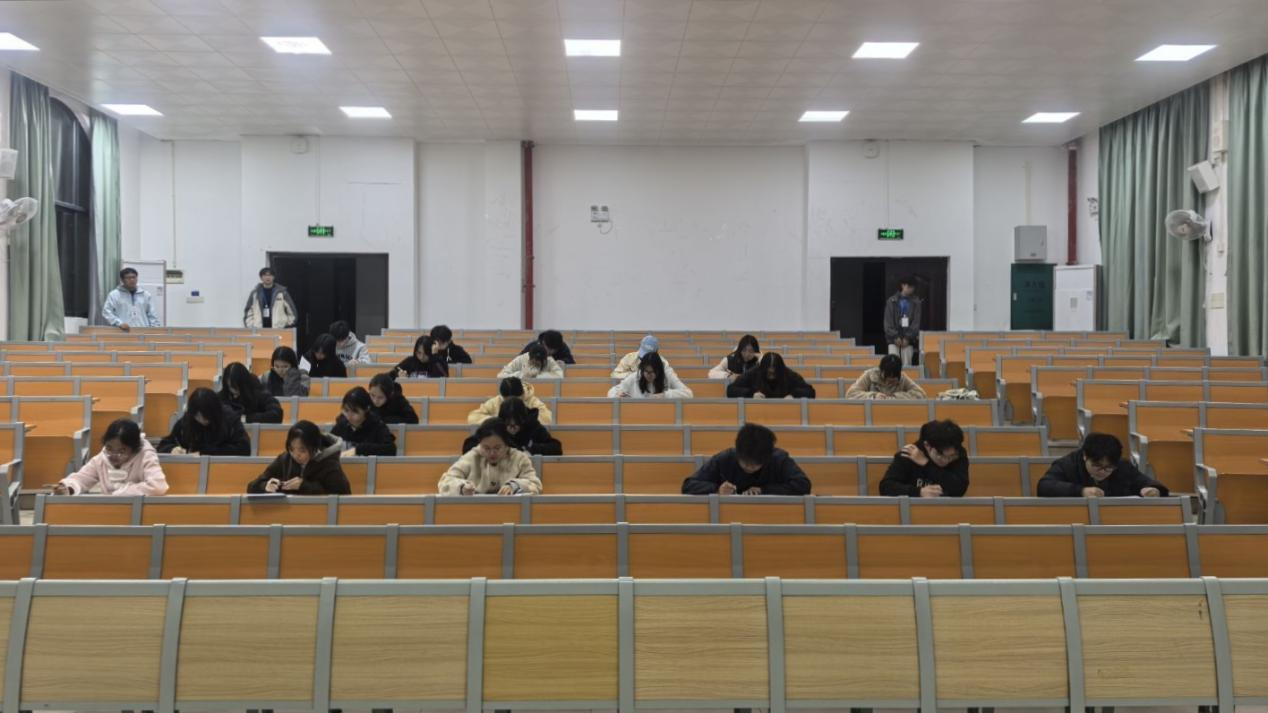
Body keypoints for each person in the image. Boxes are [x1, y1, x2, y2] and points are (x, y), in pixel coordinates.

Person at [681, 423, 812, 495]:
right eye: (745, 463)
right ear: (738, 453)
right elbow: (688, 485)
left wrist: (764, 490)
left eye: (755, 464)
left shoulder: (779, 459)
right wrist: (717, 489)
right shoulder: (725, 458)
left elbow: (803, 485)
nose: (749, 467)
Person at [52, 419, 168, 496]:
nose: (113, 455)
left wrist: (123, 492)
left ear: (133, 449)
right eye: (109, 448)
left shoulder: (145, 456)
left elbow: (158, 486)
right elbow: (82, 478)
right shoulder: (102, 458)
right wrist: (68, 488)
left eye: (122, 451)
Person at [1037, 432, 1168, 498]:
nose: (1103, 471)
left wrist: (1152, 490)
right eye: (1097, 466)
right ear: (1085, 456)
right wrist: (1081, 491)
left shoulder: (1122, 466)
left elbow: (1145, 482)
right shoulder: (1068, 464)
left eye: (1109, 468)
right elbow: (1044, 486)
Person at [439, 418, 543, 495]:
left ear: (506, 444)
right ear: (480, 444)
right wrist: (461, 487)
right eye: (486, 448)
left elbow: (535, 484)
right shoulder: (472, 457)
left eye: (497, 448)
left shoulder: (519, 458)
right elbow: (446, 481)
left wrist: (515, 486)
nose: (492, 453)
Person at [247, 420, 351, 495]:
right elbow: (252, 487)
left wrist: (304, 486)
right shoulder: (285, 459)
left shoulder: (329, 463)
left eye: (302, 450)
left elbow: (343, 495)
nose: (296, 455)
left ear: (314, 447)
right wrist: (265, 486)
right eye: (291, 449)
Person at [879, 420, 969, 497]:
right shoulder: (908, 454)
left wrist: (927, 464)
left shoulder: (958, 453)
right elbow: (886, 487)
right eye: (941, 455)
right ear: (927, 446)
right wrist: (919, 492)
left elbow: (960, 489)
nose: (946, 460)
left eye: (951, 457)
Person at [157, 387, 252, 456]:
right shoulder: (188, 420)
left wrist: (205, 452)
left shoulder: (229, 419)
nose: (201, 420)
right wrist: (172, 449)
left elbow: (244, 449)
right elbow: (163, 444)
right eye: (197, 416)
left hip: (225, 468)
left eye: (205, 416)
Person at [462, 399, 563, 456]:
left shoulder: (533, 426)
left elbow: (556, 448)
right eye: (508, 424)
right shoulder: (495, 426)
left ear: (523, 419)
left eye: (516, 423)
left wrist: (531, 447)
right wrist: (493, 448)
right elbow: (468, 446)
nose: (512, 428)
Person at [330, 387, 398, 456]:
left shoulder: (377, 425)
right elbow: (327, 445)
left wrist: (358, 449)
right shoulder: (341, 424)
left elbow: (391, 449)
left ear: (366, 409)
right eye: (346, 410)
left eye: (355, 412)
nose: (349, 416)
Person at [467, 376, 554, 425]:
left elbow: (548, 418)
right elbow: (473, 417)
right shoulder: (495, 401)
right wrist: (498, 421)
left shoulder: (533, 401)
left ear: (522, 394)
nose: (511, 403)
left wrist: (521, 420)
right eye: (507, 399)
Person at [726, 352, 816, 399]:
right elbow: (731, 390)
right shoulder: (753, 373)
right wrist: (751, 394)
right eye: (768, 372)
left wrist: (794, 395)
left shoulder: (789, 374)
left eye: (774, 372)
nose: (771, 373)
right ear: (763, 369)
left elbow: (810, 391)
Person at [218, 362, 283, 424]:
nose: (232, 391)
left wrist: (245, 418)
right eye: (229, 387)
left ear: (243, 385)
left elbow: (276, 414)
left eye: (235, 387)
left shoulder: (259, 393)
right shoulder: (223, 395)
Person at [608, 352, 694, 398]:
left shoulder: (667, 375)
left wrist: (665, 395)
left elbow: (688, 393)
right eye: (647, 372)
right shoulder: (636, 376)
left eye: (652, 372)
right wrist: (617, 395)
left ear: (659, 371)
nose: (649, 375)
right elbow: (612, 391)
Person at [102, 267, 160, 332]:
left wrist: (155, 330)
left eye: (134, 277)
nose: (132, 280)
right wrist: (119, 323)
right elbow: (106, 312)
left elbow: (152, 314)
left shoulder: (145, 295)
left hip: (142, 332)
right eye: (128, 278)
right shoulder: (114, 295)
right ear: (122, 280)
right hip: (123, 332)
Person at [847, 355, 927, 400]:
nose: (890, 382)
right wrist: (874, 396)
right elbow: (851, 394)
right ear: (881, 371)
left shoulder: (903, 378)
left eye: (893, 381)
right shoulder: (869, 375)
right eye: (888, 379)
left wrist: (896, 397)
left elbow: (921, 395)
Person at [884, 276, 921, 366]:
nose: (911, 289)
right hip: (893, 341)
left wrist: (907, 338)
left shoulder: (916, 302)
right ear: (903, 285)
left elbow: (916, 322)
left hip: (908, 342)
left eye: (913, 287)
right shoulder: (891, 301)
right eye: (909, 286)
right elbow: (888, 322)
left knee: (907, 366)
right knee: (893, 366)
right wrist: (895, 336)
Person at [499, 343, 564, 379]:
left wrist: (538, 376)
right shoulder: (521, 359)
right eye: (533, 362)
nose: (535, 365)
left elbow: (560, 376)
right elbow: (501, 375)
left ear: (545, 361)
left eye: (538, 364)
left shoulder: (550, 361)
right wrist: (521, 374)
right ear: (529, 359)